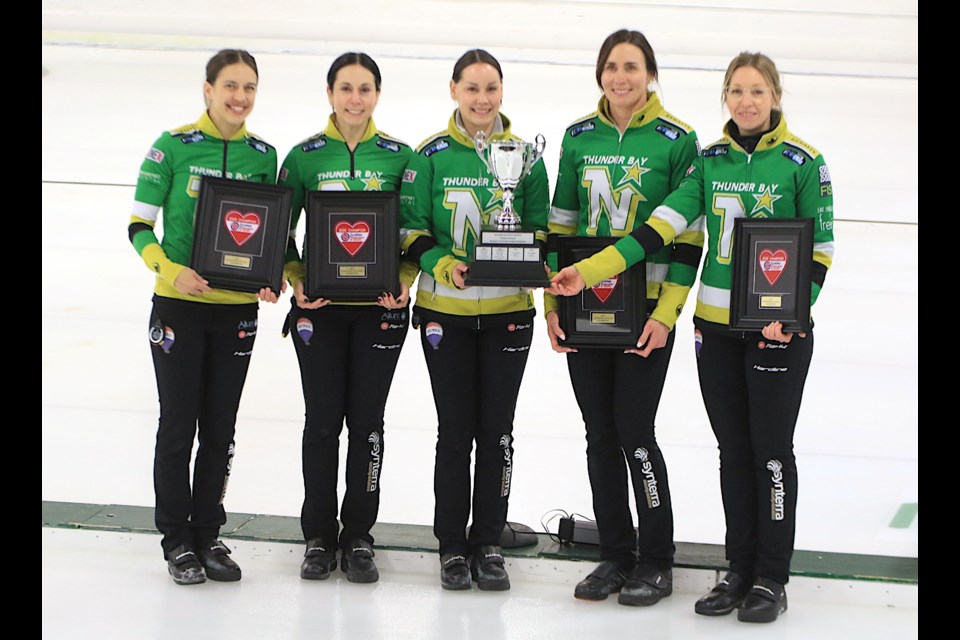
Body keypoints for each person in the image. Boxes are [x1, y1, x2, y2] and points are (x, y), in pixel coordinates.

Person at [551, 51, 835, 623]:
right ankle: (738, 571)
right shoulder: (707, 162)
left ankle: (771, 578)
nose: (746, 102)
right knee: (733, 454)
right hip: (715, 327)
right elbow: (658, 229)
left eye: (756, 91)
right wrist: (590, 271)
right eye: (736, 91)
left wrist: (795, 313)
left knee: (771, 453)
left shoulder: (805, 161)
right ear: (725, 98)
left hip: (778, 331)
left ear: (775, 96)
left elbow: (820, 252)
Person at [544, 29, 701, 607]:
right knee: (599, 437)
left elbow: (688, 241)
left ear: (650, 73)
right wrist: (551, 304)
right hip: (584, 310)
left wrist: (666, 314)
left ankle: (656, 559)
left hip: (646, 316)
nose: (621, 77)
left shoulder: (678, 139)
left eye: (632, 67)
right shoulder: (577, 137)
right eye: (612, 67)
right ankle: (614, 553)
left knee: (636, 435)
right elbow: (560, 227)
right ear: (599, 73)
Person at [399, 49, 550, 591]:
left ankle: (487, 541)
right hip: (447, 315)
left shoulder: (525, 156)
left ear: (502, 91)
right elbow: (410, 229)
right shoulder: (430, 156)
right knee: (455, 432)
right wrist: (442, 263)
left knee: (498, 432)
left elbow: (538, 229)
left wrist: (529, 264)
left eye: (491, 88)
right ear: (454, 90)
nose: (482, 99)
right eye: (472, 89)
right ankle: (451, 547)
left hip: (510, 314)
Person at [127, 49, 279, 585]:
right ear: (208, 89)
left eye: (250, 88)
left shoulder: (264, 155)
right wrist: (170, 270)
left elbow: (269, 235)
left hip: (235, 312)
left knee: (220, 430)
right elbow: (138, 228)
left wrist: (272, 273)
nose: (240, 97)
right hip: (178, 308)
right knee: (177, 426)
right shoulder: (172, 146)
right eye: (231, 85)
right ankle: (176, 541)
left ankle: (209, 533)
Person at [278, 52, 415, 584]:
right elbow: (279, 230)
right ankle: (318, 536)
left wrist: (405, 276)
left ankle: (358, 535)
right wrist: (297, 277)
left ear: (377, 95)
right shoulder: (304, 157)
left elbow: (414, 228)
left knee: (367, 424)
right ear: (329, 93)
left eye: (364, 89)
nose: (355, 98)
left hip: (380, 312)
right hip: (322, 312)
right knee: (321, 421)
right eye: (345, 88)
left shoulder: (399, 157)